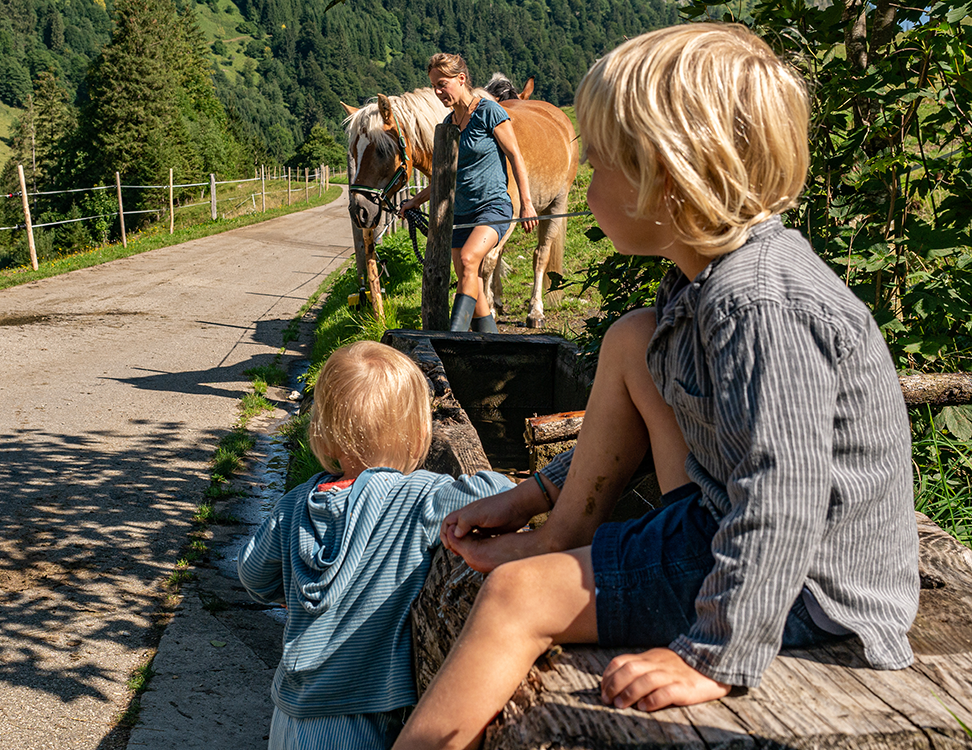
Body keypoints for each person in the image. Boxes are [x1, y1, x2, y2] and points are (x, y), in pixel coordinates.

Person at [391, 23, 919, 749]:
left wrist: (715, 652)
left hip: (806, 588)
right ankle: (563, 525)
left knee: (516, 597)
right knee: (635, 339)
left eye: (602, 164)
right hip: (732, 518)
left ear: (667, 178)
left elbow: (786, 488)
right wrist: (537, 491)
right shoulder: (707, 284)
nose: (585, 181)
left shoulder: (758, 307)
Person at [237, 340, 515, 749]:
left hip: (290, 713)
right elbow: (497, 491)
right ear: (420, 432)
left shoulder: (295, 504)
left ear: (324, 431)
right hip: (363, 713)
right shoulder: (422, 497)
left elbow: (252, 574)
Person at [399, 53, 538, 333]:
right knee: (467, 275)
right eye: (434, 86)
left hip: (493, 207)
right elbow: (445, 176)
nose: (438, 92)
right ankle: (492, 346)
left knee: (468, 260)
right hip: (460, 214)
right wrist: (416, 200)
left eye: (443, 84)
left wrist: (526, 204)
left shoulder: (489, 112)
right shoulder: (449, 125)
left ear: (461, 79)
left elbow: (515, 156)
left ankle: (454, 337)